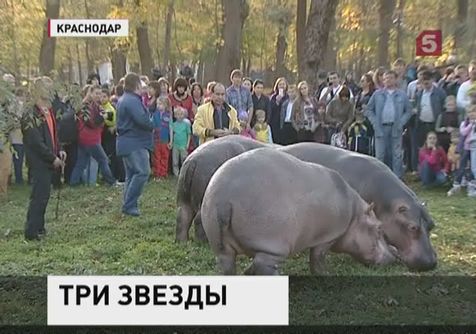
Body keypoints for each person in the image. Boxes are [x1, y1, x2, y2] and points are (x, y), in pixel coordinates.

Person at [21, 76, 66, 240]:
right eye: (48, 88)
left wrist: (59, 150)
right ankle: (31, 232)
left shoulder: (49, 109)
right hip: (39, 161)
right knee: (39, 196)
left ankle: (40, 227)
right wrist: (51, 157)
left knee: (44, 195)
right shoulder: (30, 113)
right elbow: (35, 141)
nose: (51, 91)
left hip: (50, 158)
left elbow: (54, 134)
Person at [116, 73, 154, 217]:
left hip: (126, 143)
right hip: (134, 142)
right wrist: (151, 123)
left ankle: (128, 204)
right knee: (142, 172)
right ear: (136, 85)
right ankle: (129, 205)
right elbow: (142, 120)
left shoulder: (125, 99)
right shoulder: (132, 101)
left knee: (131, 175)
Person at [365, 70, 413, 179]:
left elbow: (409, 111)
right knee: (380, 155)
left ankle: (397, 179)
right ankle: (380, 178)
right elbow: (368, 110)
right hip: (380, 128)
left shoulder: (402, 94)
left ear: (395, 79)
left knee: (396, 155)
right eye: (386, 78)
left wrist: (401, 122)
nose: (388, 80)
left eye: (391, 78)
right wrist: (374, 123)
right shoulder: (377, 94)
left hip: (396, 128)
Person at [69, 85, 119, 187]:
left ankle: (73, 183)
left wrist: (104, 116)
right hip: (90, 138)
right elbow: (91, 122)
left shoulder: (94, 104)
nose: (98, 96)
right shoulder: (86, 105)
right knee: (103, 160)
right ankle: (111, 182)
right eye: (96, 93)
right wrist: (103, 117)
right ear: (90, 93)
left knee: (81, 162)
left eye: (100, 94)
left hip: (88, 137)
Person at [447, 105, 476, 197]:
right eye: (470, 112)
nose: (472, 114)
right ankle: (456, 185)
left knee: (473, 167)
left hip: (474, 148)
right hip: (465, 148)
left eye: (473, 112)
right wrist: (471, 125)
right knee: (462, 166)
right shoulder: (464, 123)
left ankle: (471, 186)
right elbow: (463, 132)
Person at [101, 88, 124, 182]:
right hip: (104, 135)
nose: (102, 98)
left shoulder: (110, 108)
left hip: (110, 135)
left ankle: (114, 176)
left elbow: (108, 120)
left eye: (104, 96)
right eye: (101, 96)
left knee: (111, 156)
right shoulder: (102, 107)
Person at [152, 96, 172, 179]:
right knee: (157, 157)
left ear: (165, 105)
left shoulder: (168, 115)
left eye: (160, 104)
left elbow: (171, 128)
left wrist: (171, 141)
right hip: (156, 140)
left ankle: (163, 173)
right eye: (157, 104)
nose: (158, 106)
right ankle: (157, 173)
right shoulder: (154, 115)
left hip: (165, 140)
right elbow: (152, 127)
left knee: (165, 157)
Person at [170, 106, 191, 176]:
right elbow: (172, 134)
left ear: (184, 115)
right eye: (178, 114)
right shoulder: (173, 124)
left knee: (184, 159)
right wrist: (171, 142)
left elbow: (189, 134)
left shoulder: (186, 124)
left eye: (181, 114)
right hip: (175, 145)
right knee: (175, 160)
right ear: (175, 115)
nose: (179, 116)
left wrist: (187, 144)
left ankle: (184, 173)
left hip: (183, 144)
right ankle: (176, 173)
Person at [268, 77, 289, 144]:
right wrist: (277, 102)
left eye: (283, 84)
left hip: (284, 122)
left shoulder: (288, 96)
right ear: (277, 86)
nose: (282, 86)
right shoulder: (273, 97)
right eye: (280, 84)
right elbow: (270, 109)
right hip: (275, 122)